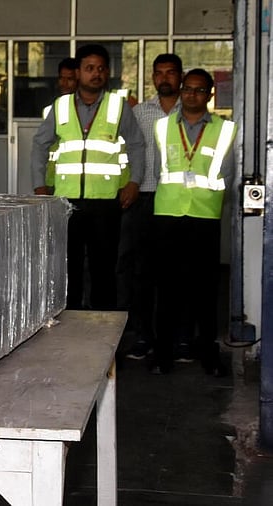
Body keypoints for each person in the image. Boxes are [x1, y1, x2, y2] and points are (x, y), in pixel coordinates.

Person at [30, 44, 146, 311]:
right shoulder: (60, 107)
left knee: (104, 267)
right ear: (78, 72)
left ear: (107, 73)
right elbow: (40, 145)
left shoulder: (118, 106)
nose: (96, 74)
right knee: (67, 266)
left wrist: (134, 182)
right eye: (89, 68)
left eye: (101, 68)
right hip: (66, 202)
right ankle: (68, 321)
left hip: (106, 201)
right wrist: (39, 185)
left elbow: (138, 145)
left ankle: (102, 328)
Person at [150, 69, 235, 376]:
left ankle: (208, 355)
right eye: (188, 89)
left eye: (200, 91)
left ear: (209, 95)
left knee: (204, 289)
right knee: (167, 287)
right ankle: (163, 354)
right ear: (181, 91)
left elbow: (230, 175)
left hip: (204, 215)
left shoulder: (226, 130)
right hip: (168, 214)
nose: (192, 95)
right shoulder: (162, 127)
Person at [123, 53, 183, 362]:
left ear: (180, 76)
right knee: (143, 273)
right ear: (152, 78)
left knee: (177, 273)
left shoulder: (192, 112)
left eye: (170, 73)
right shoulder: (139, 112)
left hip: (180, 202)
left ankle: (178, 339)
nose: (164, 79)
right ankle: (144, 337)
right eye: (159, 73)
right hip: (145, 198)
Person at [38, 57, 79, 194]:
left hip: (79, 181)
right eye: (61, 78)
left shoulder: (89, 110)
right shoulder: (52, 109)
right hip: (53, 181)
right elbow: (41, 146)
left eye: (70, 79)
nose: (64, 83)